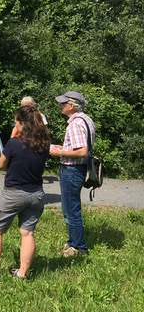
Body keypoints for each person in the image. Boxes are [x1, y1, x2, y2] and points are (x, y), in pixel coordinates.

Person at [0, 105, 51, 279]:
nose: (15, 124)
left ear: (21, 123)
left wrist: (12, 138)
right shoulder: (44, 144)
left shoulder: (14, 143)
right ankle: (22, 273)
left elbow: (1, 165)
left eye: (16, 121)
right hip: (36, 194)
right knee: (27, 233)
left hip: (12, 194)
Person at [49, 90, 95, 257]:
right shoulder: (86, 119)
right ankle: (73, 242)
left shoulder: (76, 124)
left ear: (71, 105)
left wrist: (58, 153)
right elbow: (81, 148)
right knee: (70, 208)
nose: (60, 106)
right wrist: (64, 148)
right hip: (77, 169)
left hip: (72, 170)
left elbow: (82, 151)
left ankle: (78, 248)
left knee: (71, 210)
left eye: (63, 103)